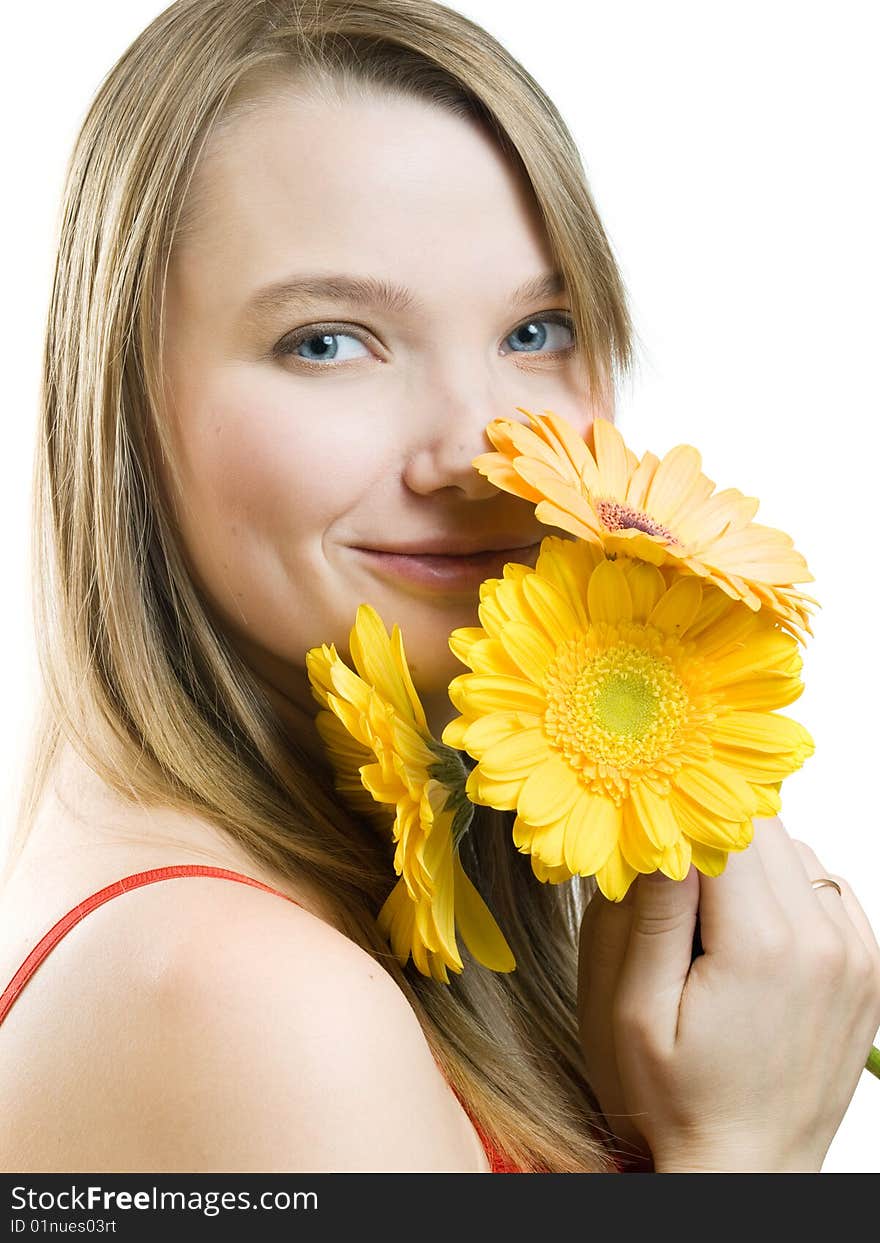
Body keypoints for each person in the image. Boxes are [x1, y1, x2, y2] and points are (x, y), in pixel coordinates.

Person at [1, 0, 878, 1176]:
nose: (482, 451)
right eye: (328, 340)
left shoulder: (323, 914)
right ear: (119, 406)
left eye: (536, 328)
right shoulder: (242, 1000)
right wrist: (745, 1151)